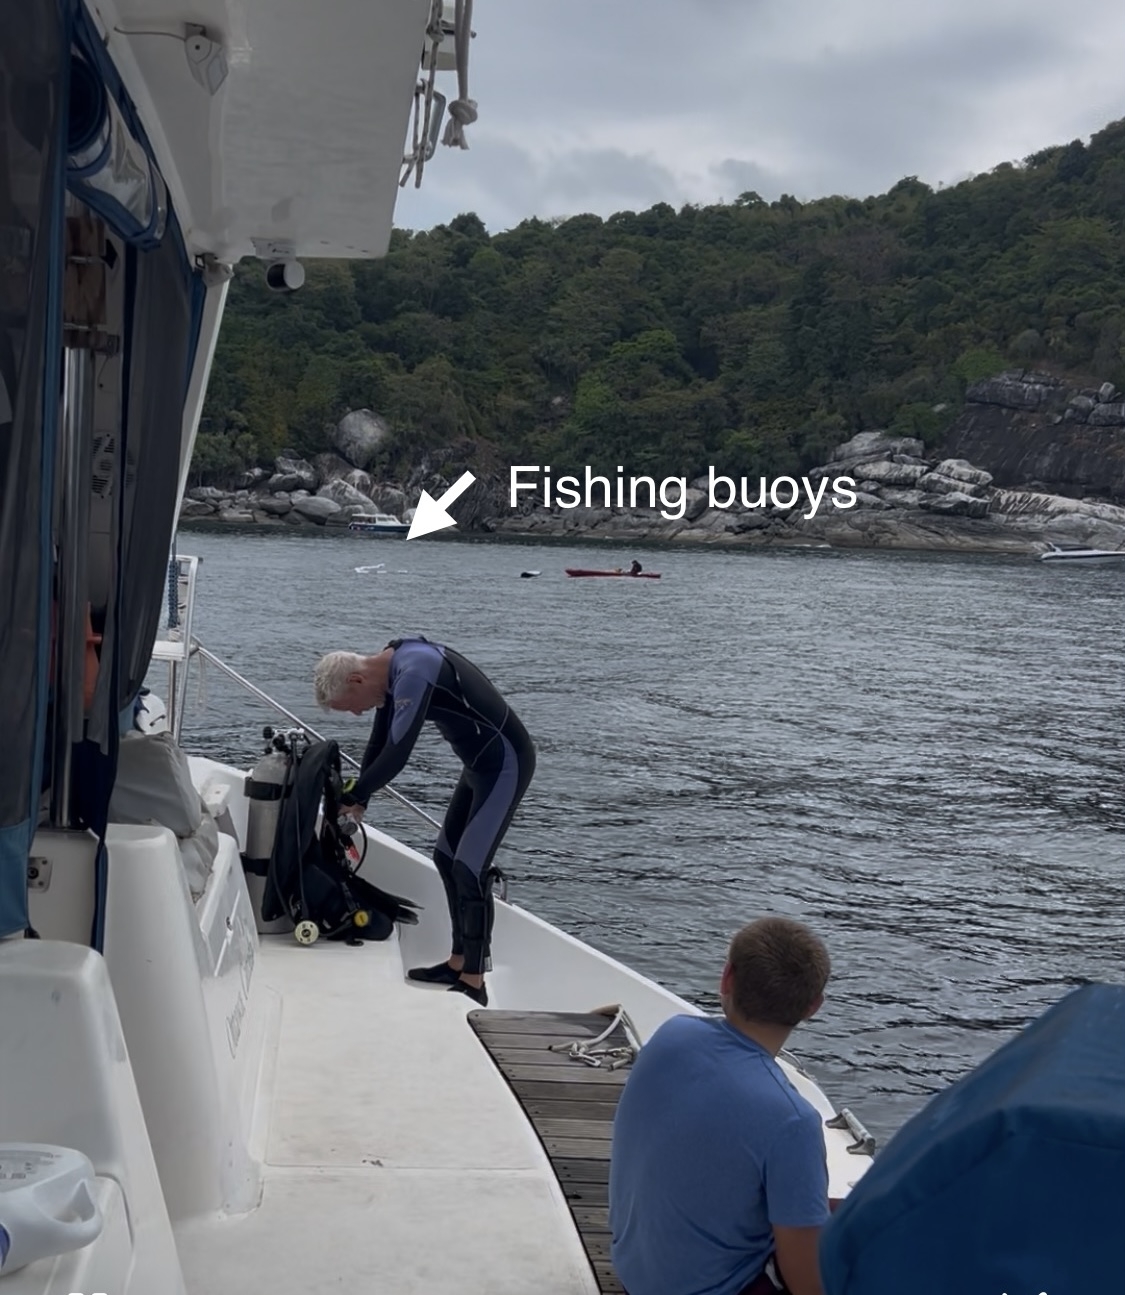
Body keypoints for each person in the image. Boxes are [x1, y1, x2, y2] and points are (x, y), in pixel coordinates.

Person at [609, 916, 832, 1295]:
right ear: (812, 1006)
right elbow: (806, 1284)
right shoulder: (793, 1121)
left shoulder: (673, 1035)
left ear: (727, 978)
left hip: (637, 1276)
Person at [313, 638, 535, 1006]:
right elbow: (379, 742)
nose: (355, 714)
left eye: (349, 708)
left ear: (355, 680)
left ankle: (474, 981)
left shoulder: (414, 671)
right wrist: (359, 799)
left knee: (469, 868)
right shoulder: (390, 672)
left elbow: (399, 751)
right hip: (478, 766)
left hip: (506, 764)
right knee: (446, 859)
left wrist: (355, 795)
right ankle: (458, 962)